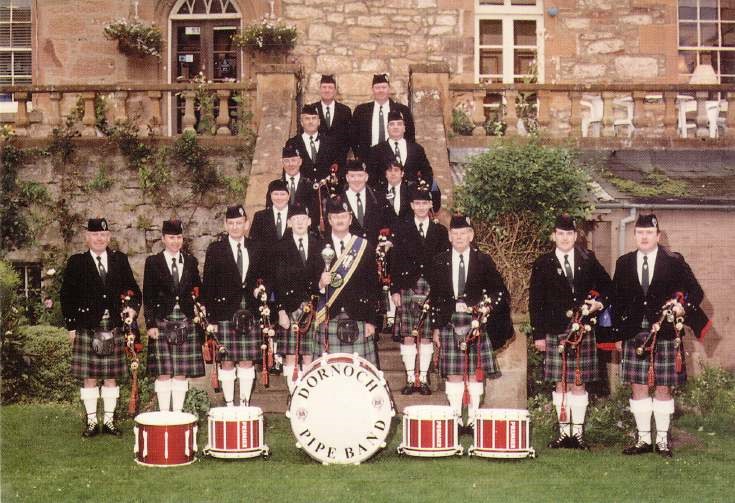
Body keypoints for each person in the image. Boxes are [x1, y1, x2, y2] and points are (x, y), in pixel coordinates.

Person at [613, 214, 709, 457]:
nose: (644, 237)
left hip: (665, 332)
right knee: (638, 386)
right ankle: (644, 440)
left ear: (658, 236)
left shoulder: (674, 261)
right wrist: (617, 334)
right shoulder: (624, 262)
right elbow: (617, 301)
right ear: (635, 235)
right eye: (640, 233)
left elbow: (695, 292)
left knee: (664, 388)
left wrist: (682, 307)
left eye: (649, 233)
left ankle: (663, 441)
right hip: (633, 331)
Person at [529, 214, 612, 449]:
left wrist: (599, 303)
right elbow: (535, 301)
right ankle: (564, 433)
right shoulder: (543, 262)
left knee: (579, 382)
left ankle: (578, 434)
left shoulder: (588, 258)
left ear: (576, 236)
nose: (565, 238)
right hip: (555, 329)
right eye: (560, 234)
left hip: (582, 329)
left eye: (569, 234)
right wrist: (538, 335)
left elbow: (608, 286)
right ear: (553, 236)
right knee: (560, 382)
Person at [429, 214, 513, 431]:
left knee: (476, 373)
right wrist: (436, 328)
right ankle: (456, 420)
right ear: (449, 236)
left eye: (463, 233)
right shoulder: (439, 261)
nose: (459, 237)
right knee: (454, 373)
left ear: (471, 235)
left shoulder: (483, 260)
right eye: (455, 233)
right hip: (448, 323)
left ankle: (474, 420)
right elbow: (435, 297)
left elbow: (499, 292)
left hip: (476, 324)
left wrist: (485, 308)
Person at [60, 217, 141, 437]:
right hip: (87, 326)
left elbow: (134, 290)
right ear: (87, 237)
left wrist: (132, 310)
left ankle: (109, 421)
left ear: (109, 236)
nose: (99, 238)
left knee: (110, 376)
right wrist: (71, 326)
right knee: (90, 377)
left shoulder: (119, 260)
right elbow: (66, 295)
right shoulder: (77, 262)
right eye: (95, 234)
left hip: (113, 325)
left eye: (103, 235)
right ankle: (92, 422)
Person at [202, 205, 264, 407]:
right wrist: (211, 319)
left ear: (246, 224)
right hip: (224, 312)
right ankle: (229, 405)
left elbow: (264, 277)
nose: (235, 227)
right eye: (231, 223)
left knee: (247, 360)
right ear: (225, 225)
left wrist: (261, 289)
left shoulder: (257, 247)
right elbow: (208, 285)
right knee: (226, 360)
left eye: (239, 223)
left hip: (251, 310)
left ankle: (244, 405)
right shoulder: (215, 249)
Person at [390, 184, 449, 395]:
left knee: (426, 335)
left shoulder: (440, 231)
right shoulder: (402, 229)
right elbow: (394, 261)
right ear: (412, 205)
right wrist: (395, 290)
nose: (421, 206)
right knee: (408, 335)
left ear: (430, 204)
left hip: (432, 286)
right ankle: (409, 378)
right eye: (418, 203)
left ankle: (422, 379)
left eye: (425, 203)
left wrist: (442, 292)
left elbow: (444, 263)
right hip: (408, 285)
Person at [143, 219, 204, 413]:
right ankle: (164, 415)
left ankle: (177, 415)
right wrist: (150, 324)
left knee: (181, 372)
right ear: (163, 239)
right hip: (162, 319)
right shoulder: (153, 262)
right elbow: (148, 295)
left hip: (186, 319)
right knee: (163, 372)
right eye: (171, 237)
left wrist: (199, 311)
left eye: (178, 237)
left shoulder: (190, 261)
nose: (175, 241)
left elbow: (197, 289)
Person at [314, 196, 381, 364]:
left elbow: (372, 286)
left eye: (343, 216)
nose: (340, 220)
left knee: (361, 371)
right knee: (328, 372)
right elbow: (309, 282)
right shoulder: (318, 246)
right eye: (335, 216)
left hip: (359, 314)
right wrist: (320, 283)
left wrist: (371, 321)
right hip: (329, 315)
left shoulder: (364, 246)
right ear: (329, 220)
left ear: (350, 219)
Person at [274, 203, 324, 393]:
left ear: (309, 221)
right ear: (289, 223)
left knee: (310, 353)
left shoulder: (320, 245)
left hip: (314, 304)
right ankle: (293, 393)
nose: (300, 223)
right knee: (291, 354)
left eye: (303, 219)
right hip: (289, 306)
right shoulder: (280, 247)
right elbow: (276, 281)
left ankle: (308, 393)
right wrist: (280, 310)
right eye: (296, 220)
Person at [351, 73, 415, 164]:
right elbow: (353, 136)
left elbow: (410, 136)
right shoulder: (361, 111)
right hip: (369, 159)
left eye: (384, 87)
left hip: (395, 160)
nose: (381, 90)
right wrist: (359, 156)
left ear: (389, 89)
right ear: (372, 89)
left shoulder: (402, 110)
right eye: (377, 87)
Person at [368, 110, 432, 188]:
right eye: (392, 124)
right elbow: (371, 177)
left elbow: (427, 173)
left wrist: (422, 191)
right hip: (386, 194)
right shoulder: (376, 150)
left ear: (404, 128)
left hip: (412, 193)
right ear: (387, 128)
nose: (395, 127)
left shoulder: (417, 149)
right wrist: (379, 193)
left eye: (399, 124)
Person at [338, 159, 392, 245]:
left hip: (375, 249)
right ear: (347, 178)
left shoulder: (380, 199)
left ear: (366, 177)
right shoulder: (338, 202)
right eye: (352, 176)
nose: (356, 180)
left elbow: (389, 224)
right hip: (349, 250)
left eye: (360, 175)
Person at [285, 104, 341, 182]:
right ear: (301, 122)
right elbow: (288, 169)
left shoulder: (330, 142)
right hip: (302, 188)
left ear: (319, 122)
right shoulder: (293, 143)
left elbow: (337, 167)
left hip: (325, 188)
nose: (311, 122)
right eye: (307, 119)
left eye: (314, 118)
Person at [308, 74, 352, 167]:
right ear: (320, 89)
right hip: (317, 162)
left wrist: (338, 160)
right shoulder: (311, 109)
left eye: (330, 87)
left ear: (335, 91)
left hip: (339, 162)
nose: (327, 90)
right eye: (324, 87)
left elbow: (348, 138)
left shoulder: (345, 111)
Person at [277, 144, 319, 222]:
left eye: (293, 160)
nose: (290, 164)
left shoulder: (310, 186)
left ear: (300, 161)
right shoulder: (275, 187)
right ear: (282, 163)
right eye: (286, 161)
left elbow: (315, 215)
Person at [250, 179, 292, 248]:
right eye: (275, 194)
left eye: (283, 194)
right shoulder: (260, 217)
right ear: (270, 195)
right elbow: (254, 244)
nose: (279, 198)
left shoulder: (296, 215)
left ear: (288, 196)